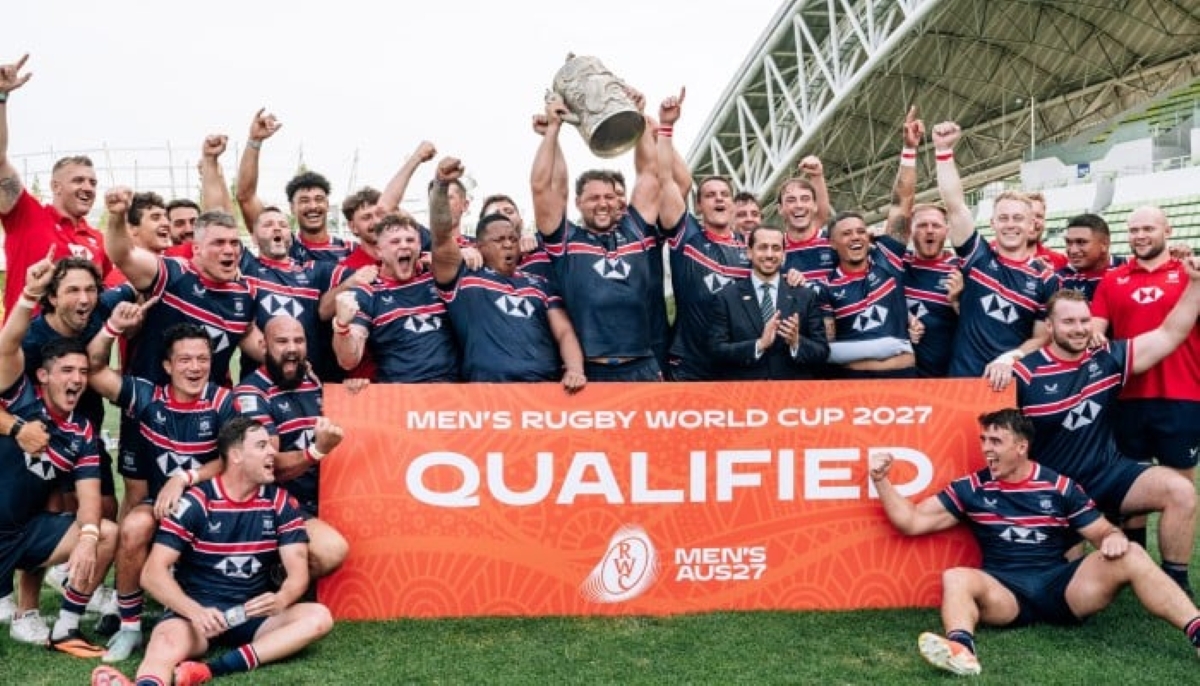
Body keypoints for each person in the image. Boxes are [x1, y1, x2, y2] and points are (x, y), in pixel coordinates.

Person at [870, 409, 1200, 677]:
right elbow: (911, 521)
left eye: (996, 441)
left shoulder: (1059, 487)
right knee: (956, 576)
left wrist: (1113, 538)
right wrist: (880, 480)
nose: (986, 448)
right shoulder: (971, 488)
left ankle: (1196, 631)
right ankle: (962, 650)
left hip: (1061, 590)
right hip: (1005, 592)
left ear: (1021, 447)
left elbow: (1101, 532)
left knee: (1134, 554)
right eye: (984, 439)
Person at [89, 417, 333, 686]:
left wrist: (282, 599)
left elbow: (297, 573)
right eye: (262, 445)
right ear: (237, 455)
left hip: (253, 615)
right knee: (163, 641)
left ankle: (208, 671)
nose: (272, 453)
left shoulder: (281, 502)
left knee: (318, 617)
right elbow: (152, 573)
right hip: (198, 617)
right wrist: (195, 612)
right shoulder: (197, 502)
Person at [1012, 271, 1200, 592]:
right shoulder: (1024, 374)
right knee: (1067, 583)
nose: (1079, 329)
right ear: (1050, 326)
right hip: (1059, 492)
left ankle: (1175, 583)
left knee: (1180, 490)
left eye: (1085, 321)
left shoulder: (1108, 357)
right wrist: (1006, 359)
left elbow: (1169, 333)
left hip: (1109, 474)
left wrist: (1196, 283)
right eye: (1069, 322)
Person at [88, 318, 240, 663]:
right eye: (185, 360)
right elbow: (94, 367)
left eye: (202, 359)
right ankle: (129, 627)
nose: (195, 367)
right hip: (161, 505)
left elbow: (233, 458)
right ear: (168, 365)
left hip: (210, 504)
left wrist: (185, 477)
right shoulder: (146, 397)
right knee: (133, 525)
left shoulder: (222, 401)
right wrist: (112, 325)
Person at [0, 252, 119, 657]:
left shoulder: (82, 431)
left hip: (27, 524)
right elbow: (7, 347)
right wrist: (27, 295)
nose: (77, 380)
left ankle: (59, 618)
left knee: (104, 523)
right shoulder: (21, 392)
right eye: (67, 371)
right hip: (4, 508)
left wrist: (87, 539)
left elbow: (89, 502)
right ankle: (18, 602)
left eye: (83, 372)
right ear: (43, 375)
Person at [530, 91, 665, 382]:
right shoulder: (565, 241)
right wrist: (552, 130)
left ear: (620, 202)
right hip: (588, 372)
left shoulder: (636, 231)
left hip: (641, 365)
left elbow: (650, 174)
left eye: (608, 197)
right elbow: (542, 188)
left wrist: (636, 117)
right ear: (578, 203)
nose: (602, 203)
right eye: (592, 198)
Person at [1091, 206, 1200, 549]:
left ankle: (1174, 576)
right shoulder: (1112, 279)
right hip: (1127, 398)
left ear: (1168, 230)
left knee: (1181, 486)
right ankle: (1134, 563)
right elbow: (1097, 325)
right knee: (1130, 486)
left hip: (1182, 395)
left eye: (1148, 228)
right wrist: (1095, 335)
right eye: (1134, 229)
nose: (1140, 235)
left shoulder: (1191, 275)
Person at [429, 157, 586, 389]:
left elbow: (563, 331)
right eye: (499, 239)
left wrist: (575, 369)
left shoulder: (540, 284)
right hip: (488, 393)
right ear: (479, 245)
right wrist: (441, 185)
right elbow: (441, 235)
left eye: (513, 238)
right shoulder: (463, 279)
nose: (508, 244)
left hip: (544, 388)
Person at [933, 121, 1059, 384]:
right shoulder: (977, 257)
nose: (1010, 224)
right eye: (1003, 218)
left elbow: (1042, 337)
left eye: (1017, 218)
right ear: (993, 224)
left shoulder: (1045, 278)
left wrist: (1010, 358)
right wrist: (943, 152)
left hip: (1011, 383)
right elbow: (955, 205)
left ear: (1031, 224)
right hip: (962, 381)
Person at [103, 188, 260, 387]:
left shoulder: (245, 293)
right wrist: (117, 216)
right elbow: (123, 255)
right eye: (219, 243)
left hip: (207, 410)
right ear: (196, 248)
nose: (229, 250)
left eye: (234, 243)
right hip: (150, 407)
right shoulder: (173, 272)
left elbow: (254, 341)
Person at [234, 315, 350, 578]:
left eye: (299, 340)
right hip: (277, 503)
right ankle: (269, 573)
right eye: (282, 341)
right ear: (263, 346)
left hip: (326, 495)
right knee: (331, 551)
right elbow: (268, 466)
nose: (292, 348)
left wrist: (355, 390)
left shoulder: (312, 381)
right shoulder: (251, 394)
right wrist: (315, 451)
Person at [0, 54, 114, 319]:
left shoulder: (98, 240)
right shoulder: (27, 215)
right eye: (78, 180)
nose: (88, 187)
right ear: (55, 186)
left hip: (75, 354)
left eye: (93, 182)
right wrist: (2, 98)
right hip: (25, 349)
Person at [656, 88, 750, 380]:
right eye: (710, 195)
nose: (719, 199)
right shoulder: (688, 237)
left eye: (725, 194)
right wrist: (666, 127)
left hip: (738, 365)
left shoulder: (752, 250)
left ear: (734, 204)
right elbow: (665, 179)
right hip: (689, 366)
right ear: (699, 205)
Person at [332, 213, 459, 382]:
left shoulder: (437, 278)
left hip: (451, 392)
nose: (404, 246)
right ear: (379, 251)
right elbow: (348, 361)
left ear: (420, 246)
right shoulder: (368, 292)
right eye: (395, 241)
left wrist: (466, 254)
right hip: (400, 396)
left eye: (410, 240)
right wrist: (342, 327)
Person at [709, 225, 828, 380]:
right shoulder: (726, 298)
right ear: (749, 253)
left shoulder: (806, 296)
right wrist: (759, 345)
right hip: (745, 396)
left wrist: (796, 342)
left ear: (784, 255)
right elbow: (716, 351)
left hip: (793, 396)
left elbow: (822, 352)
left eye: (776, 248)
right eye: (763, 247)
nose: (770, 254)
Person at [236, 109, 352, 264]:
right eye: (304, 200)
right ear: (292, 208)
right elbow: (246, 197)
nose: (313, 206)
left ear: (327, 205)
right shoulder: (282, 243)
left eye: (319, 199)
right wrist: (254, 141)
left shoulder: (350, 250)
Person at [1056, 213, 1124, 301]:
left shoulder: (1129, 270)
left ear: (1104, 244)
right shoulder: (1059, 279)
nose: (1073, 250)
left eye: (1081, 242)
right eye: (1068, 242)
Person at [1025, 191, 1068, 271]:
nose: (1034, 221)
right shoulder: (997, 257)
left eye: (1039, 216)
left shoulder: (1060, 261)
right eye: (1028, 215)